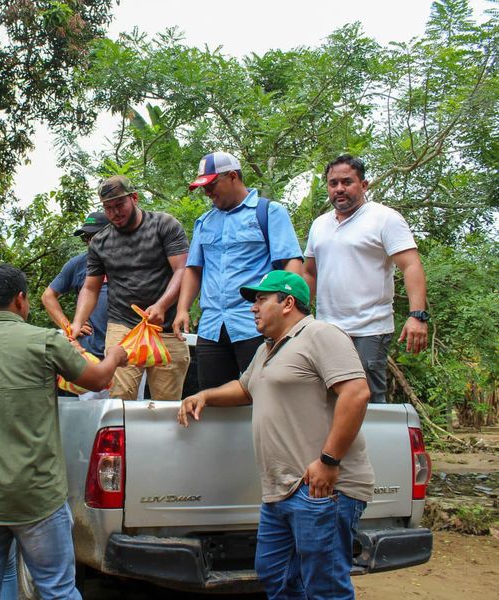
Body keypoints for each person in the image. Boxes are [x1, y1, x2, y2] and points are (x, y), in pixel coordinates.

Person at [0, 263, 128, 600]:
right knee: (58, 589)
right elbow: (99, 379)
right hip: (37, 495)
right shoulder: (44, 341)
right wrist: (115, 356)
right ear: (20, 299)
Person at [178, 270, 373, 600]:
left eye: (261, 299)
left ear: (288, 303)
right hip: (280, 489)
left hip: (320, 488)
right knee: (274, 572)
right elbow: (245, 388)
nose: (253, 307)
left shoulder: (320, 334)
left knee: (324, 586)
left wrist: (328, 461)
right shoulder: (266, 350)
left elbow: (356, 393)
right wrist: (205, 395)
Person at [304, 154, 429, 403]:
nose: (339, 188)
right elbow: (309, 272)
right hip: (327, 329)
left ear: (363, 185)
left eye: (347, 182)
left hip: (369, 330)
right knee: (327, 401)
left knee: (366, 402)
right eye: (333, 183)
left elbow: (411, 265)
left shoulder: (384, 218)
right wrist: (299, 317)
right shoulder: (319, 224)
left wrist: (417, 316)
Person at [174, 151, 303, 391]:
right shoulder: (204, 222)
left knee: (266, 393)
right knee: (212, 397)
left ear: (233, 176)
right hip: (212, 326)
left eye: (212, 185)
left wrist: (289, 310)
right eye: (203, 187)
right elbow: (194, 269)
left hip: (255, 323)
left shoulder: (268, 212)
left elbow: (291, 263)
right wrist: (182, 309)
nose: (207, 192)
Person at [70, 175, 191, 401]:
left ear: (134, 198)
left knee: (165, 403)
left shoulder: (164, 225)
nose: (114, 213)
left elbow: (182, 270)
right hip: (123, 325)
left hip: (164, 326)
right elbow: (90, 288)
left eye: (119, 205)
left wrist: (162, 305)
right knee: (120, 396)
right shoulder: (100, 242)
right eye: (108, 208)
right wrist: (77, 323)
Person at [41, 211, 110, 360]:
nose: (90, 242)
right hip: (90, 350)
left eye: (94, 236)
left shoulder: (127, 259)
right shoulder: (78, 263)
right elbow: (48, 296)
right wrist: (69, 326)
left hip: (125, 346)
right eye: (86, 237)